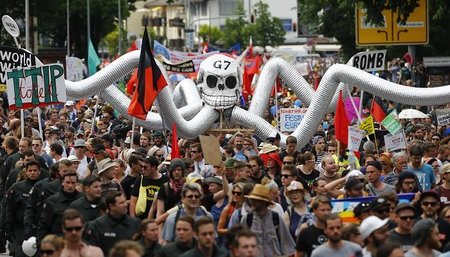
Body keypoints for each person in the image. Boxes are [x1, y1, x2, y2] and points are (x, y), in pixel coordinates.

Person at [240, 184, 295, 257]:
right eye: (252, 200)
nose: (252, 202)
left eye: (256, 200)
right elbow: (240, 242)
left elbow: (287, 243)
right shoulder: (247, 219)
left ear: (264, 202)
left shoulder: (275, 218)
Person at [5, 160, 41, 257]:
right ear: (26, 171)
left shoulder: (44, 187)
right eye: (30, 170)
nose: (32, 173)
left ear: (39, 171)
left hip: (38, 230)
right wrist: (8, 230)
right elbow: (9, 210)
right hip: (19, 230)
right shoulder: (16, 188)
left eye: (35, 170)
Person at [37, 171, 82, 242]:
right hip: (58, 242)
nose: (70, 186)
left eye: (73, 183)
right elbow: (44, 224)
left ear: (76, 183)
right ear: (62, 182)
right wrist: (40, 244)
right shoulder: (52, 201)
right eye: (67, 182)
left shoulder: (82, 199)